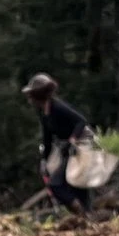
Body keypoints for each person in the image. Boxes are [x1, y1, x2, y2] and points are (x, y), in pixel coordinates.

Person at [23, 73, 94, 213]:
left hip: (82, 144)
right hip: (70, 147)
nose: (29, 100)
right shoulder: (44, 114)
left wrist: (72, 140)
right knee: (74, 185)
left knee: (56, 185)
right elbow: (47, 139)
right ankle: (85, 217)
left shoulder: (57, 107)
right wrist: (44, 161)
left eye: (31, 96)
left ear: (38, 95)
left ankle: (82, 213)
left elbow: (81, 121)